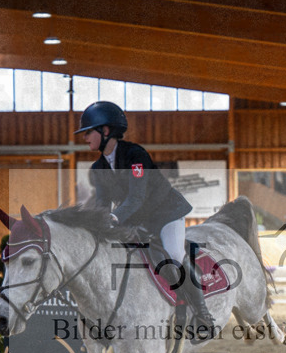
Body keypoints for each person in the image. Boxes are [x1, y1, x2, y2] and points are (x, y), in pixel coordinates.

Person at [75, 101, 214, 330]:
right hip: (136, 219)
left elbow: (136, 198)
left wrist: (114, 218)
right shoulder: (98, 168)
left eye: (88, 132)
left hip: (166, 213)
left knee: (174, 255)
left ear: (105, 131)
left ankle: (202, 314)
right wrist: (95, 226)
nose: (84, 137)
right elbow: (102, 204)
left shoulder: (135, 155)